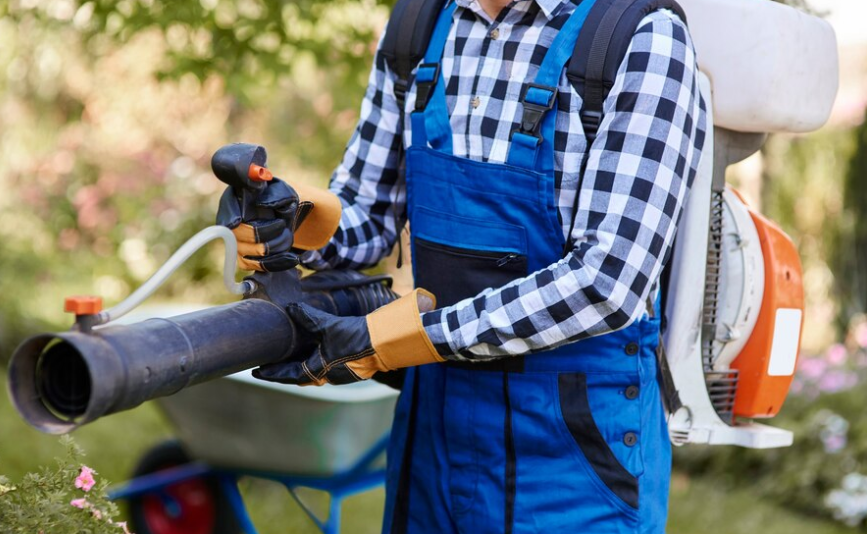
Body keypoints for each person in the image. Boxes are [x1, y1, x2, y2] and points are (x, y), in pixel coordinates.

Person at [217, 0, 707, 529]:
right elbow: (371, 212)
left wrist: (397, 337)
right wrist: (294, 222)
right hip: (435, 430)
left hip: (574, 447)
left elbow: (609, 281)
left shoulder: (638, 36)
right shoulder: (419, 25)